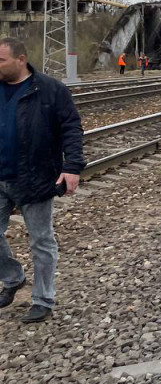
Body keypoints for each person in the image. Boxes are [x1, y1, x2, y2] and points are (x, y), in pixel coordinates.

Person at [0, 37, 85, 323]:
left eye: (1, 60)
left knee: (41, 241)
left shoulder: (50, 90)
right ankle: (13, 278)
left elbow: (71, 128)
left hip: (34, 177)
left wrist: (72, 166)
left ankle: (43, 298)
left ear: (21, 59)